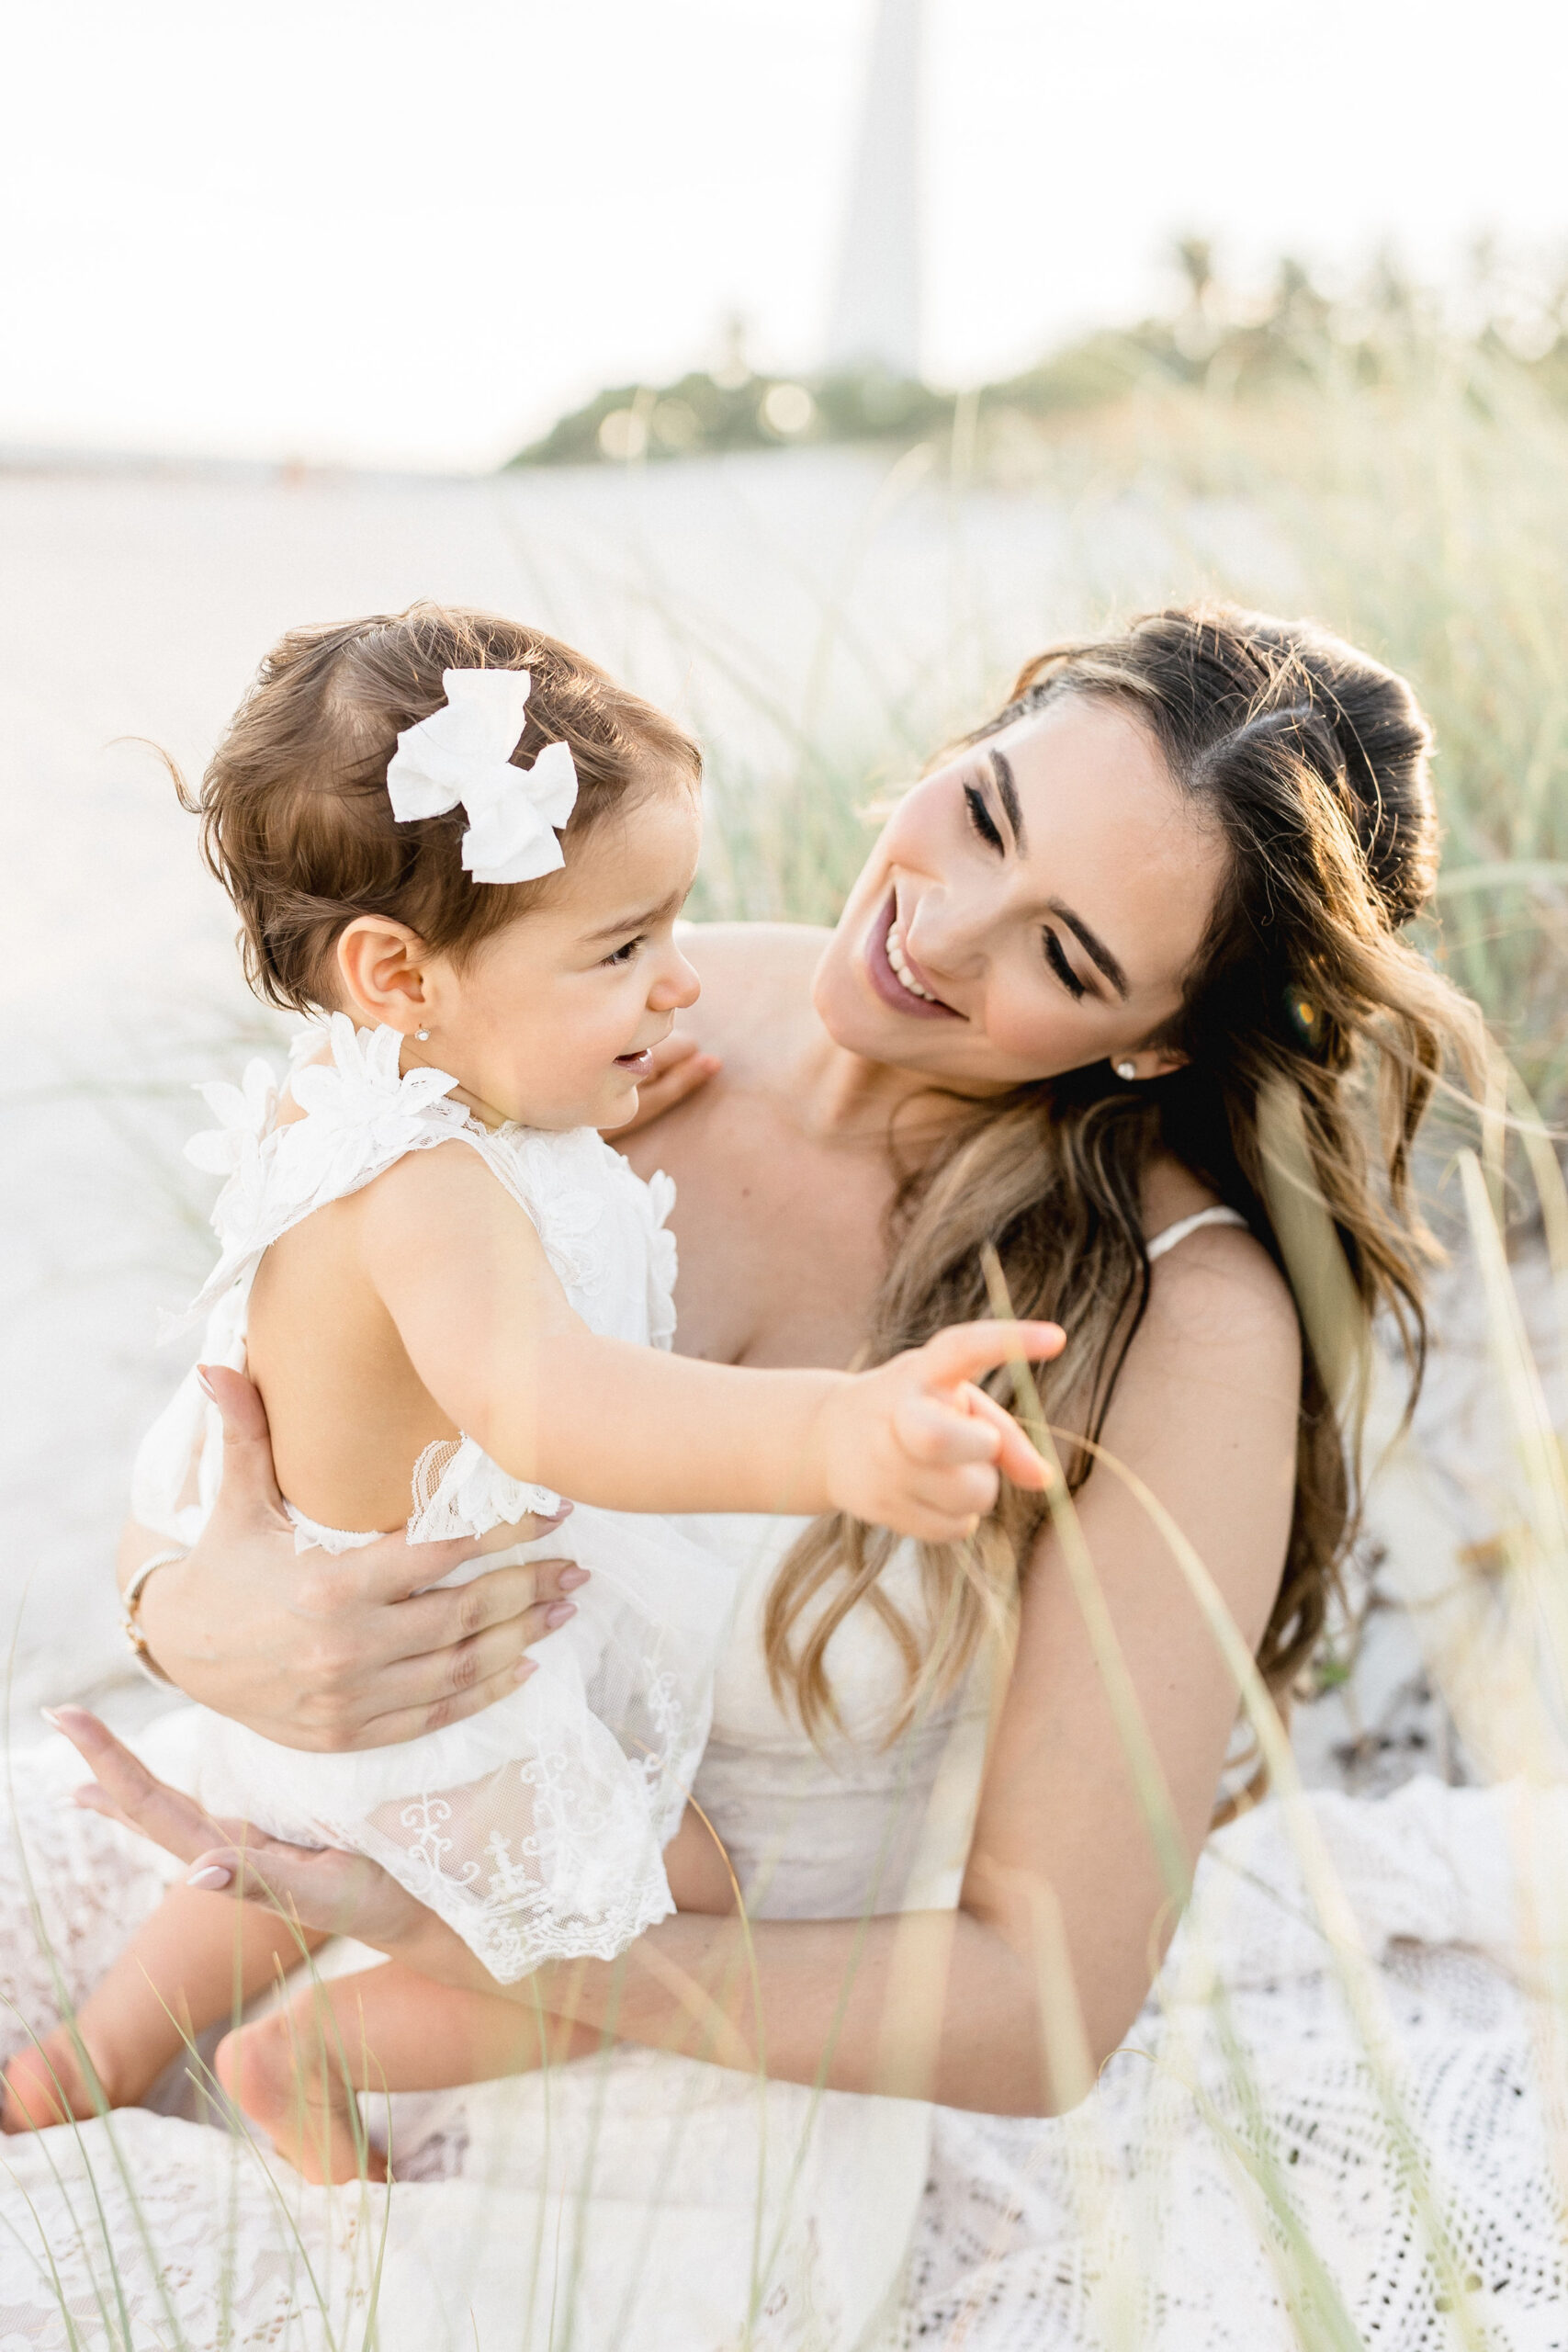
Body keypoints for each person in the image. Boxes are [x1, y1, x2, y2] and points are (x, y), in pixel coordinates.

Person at [2, 606, 1540, 2352]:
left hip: (679, 2072)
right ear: (975, 732)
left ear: (1162, 1043)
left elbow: (1038, 2010)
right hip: (262, 1839)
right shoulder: (614, 997)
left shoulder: (1182, 1319)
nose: (938, 931)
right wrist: (202, 1614)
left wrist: (450, 1940)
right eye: (985, 814)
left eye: (1069, 955)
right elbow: (256, 1386)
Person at [0, 605, 1054, 2186]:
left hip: (359, 1672)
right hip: (444, 1705)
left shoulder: (395, 1102)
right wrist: (836, 1430)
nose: (681, 987)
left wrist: (581, 1089)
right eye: (623, 953)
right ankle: (317, 2051)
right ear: (398, 974)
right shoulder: (431, 1190)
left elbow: (497, 1199)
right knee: (685, 1896)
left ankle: (82, 2069)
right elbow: (552, 1402)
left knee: (280, 1852)